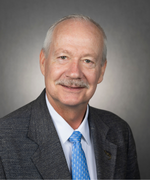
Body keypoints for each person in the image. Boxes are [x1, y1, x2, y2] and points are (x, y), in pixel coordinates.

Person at [0, 14, 140, 179]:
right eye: (63, 57)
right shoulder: (4, 139)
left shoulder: (119, 132)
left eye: (87, 61)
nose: (74, 73)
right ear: (43, 62)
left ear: (101, 71)